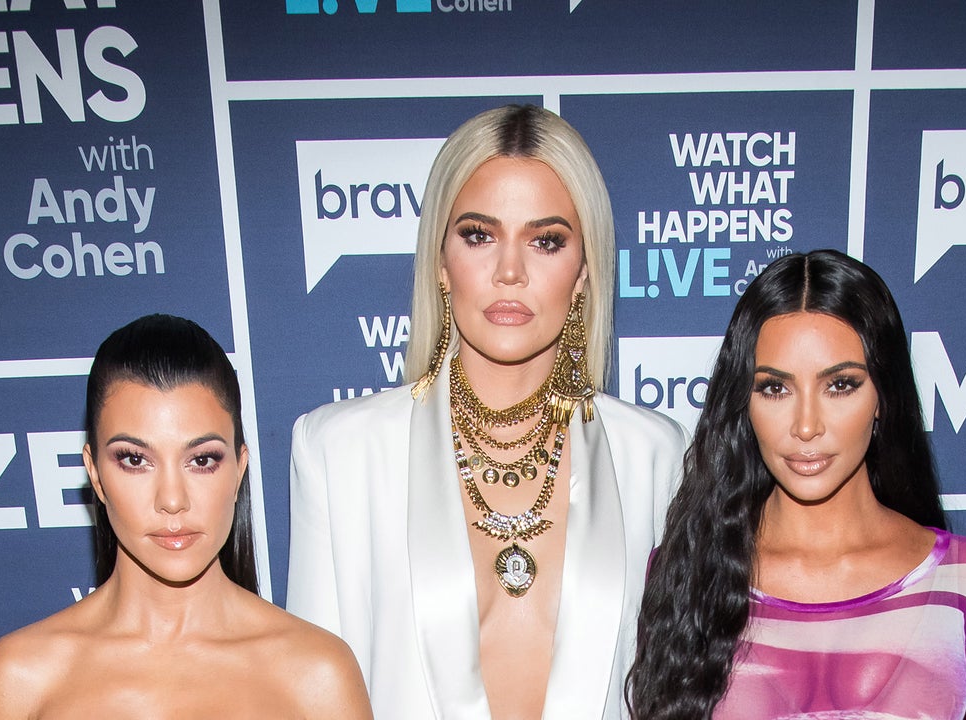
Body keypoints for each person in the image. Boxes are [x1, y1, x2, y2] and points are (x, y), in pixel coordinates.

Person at [287, 104, 689, 719]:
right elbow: (310, 703)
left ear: (583, 272)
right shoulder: (339, 452)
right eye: (479, 235)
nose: (509, 271)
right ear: (441, 263)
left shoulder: (655, 454)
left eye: (546, 241)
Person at [627, 250, 966, 720]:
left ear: (883, 397)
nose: (806, 426)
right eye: (775, 388)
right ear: (743, 403)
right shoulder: (685, 574)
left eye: (840, 385)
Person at [0, 314, 371, 719]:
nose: (171, 499)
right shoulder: (23, 675)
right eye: (135, 459)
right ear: (94, 473)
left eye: (201, 460)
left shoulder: (317, 674)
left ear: (238, 470)